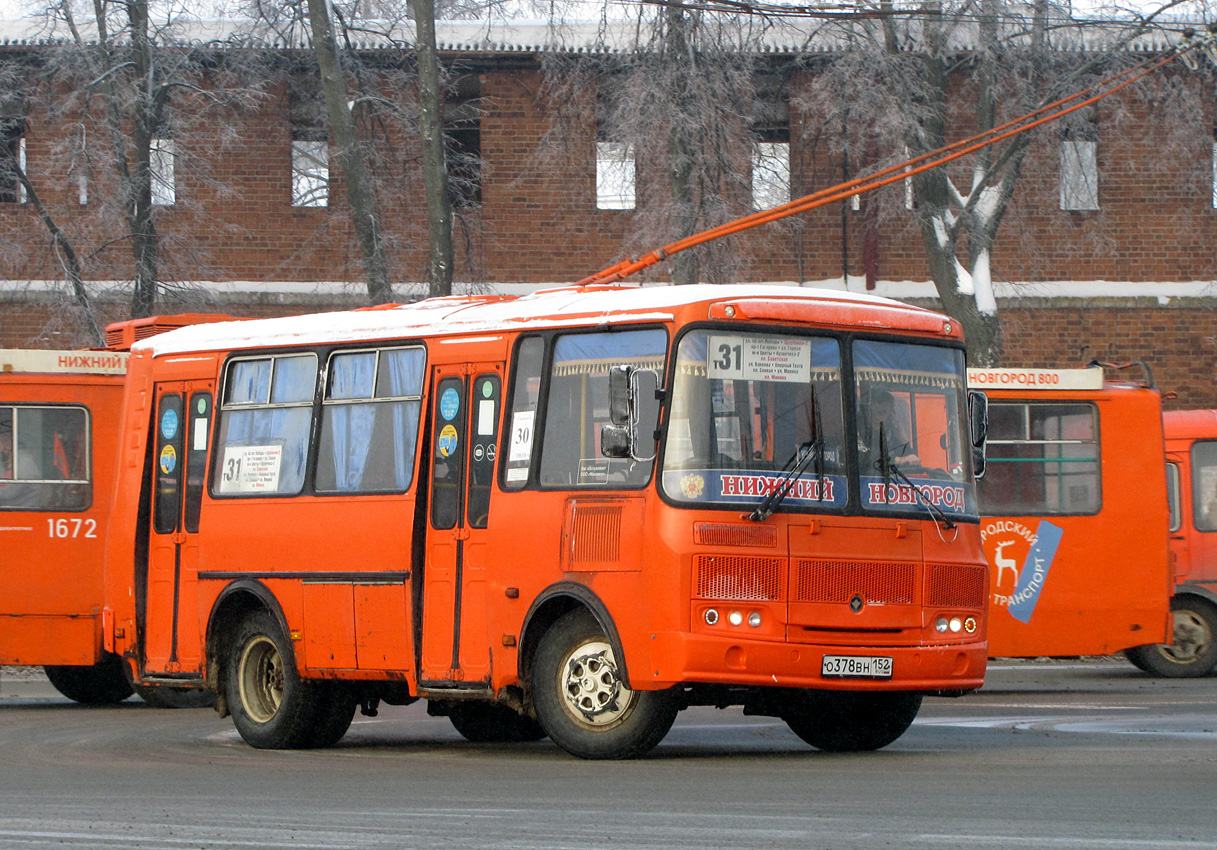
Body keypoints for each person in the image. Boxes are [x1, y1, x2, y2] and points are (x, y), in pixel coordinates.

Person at [860, 390, 920, 468]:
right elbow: (863, 456)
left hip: (892, 479)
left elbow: (912, 461)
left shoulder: (891, 433)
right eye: (873, 411)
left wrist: (901, 436)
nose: (876, 415)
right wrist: (897, 460)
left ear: (890, 414)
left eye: (882, 412)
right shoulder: (859, 429)